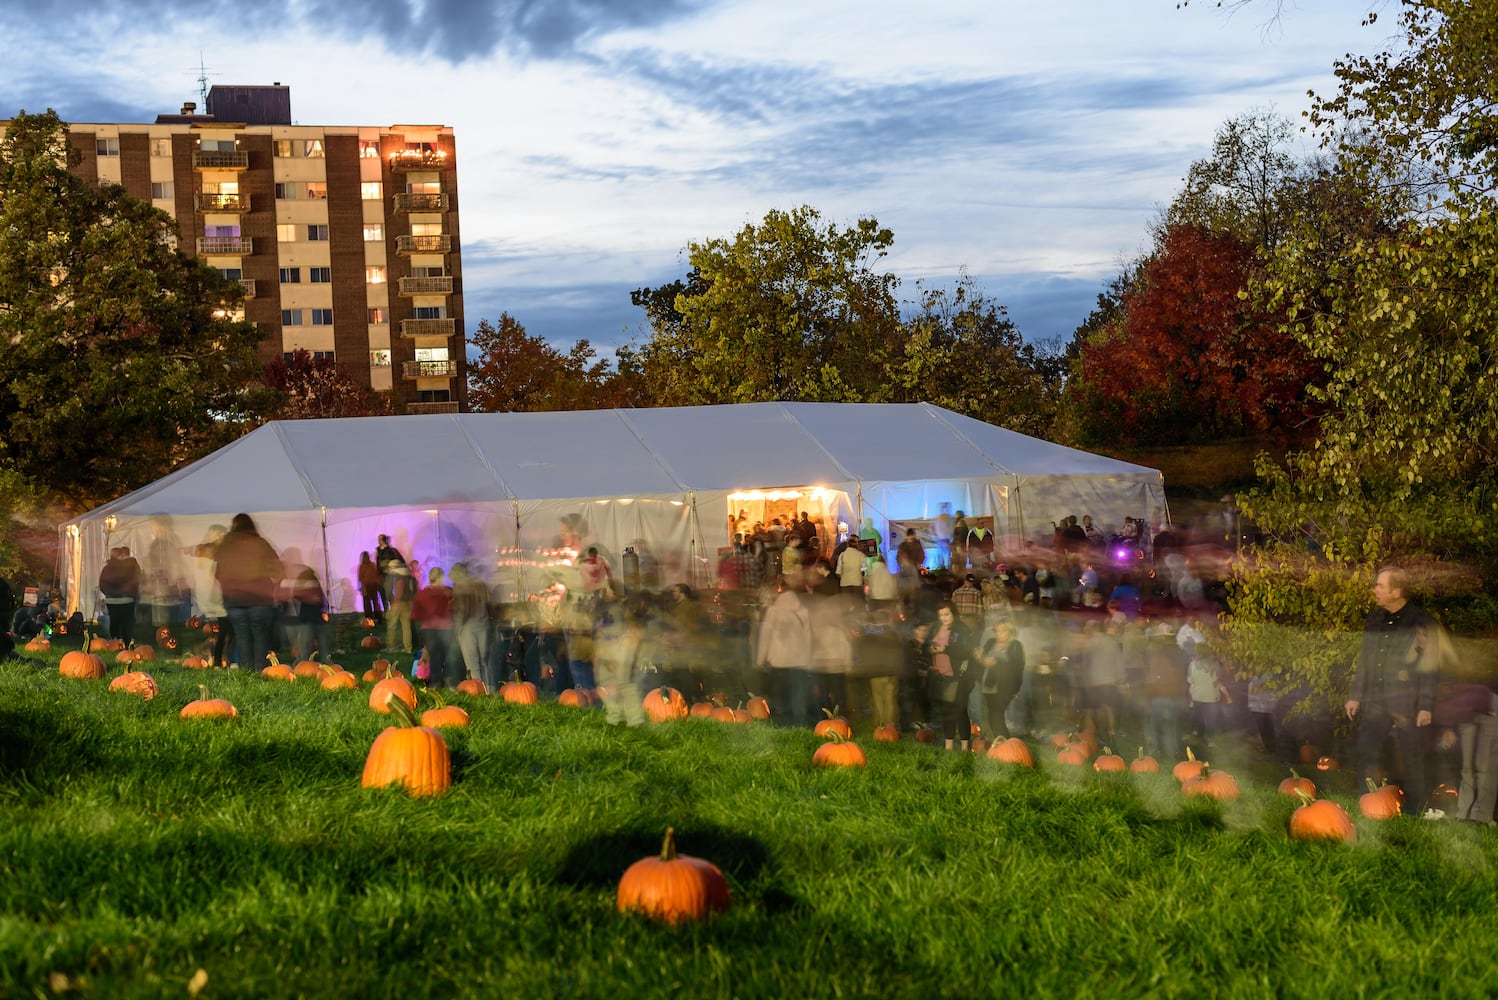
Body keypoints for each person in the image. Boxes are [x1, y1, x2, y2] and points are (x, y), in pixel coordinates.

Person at [1345, 566, 1447, 817]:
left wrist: (1425, 704)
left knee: (1411, 757)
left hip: (1407, 702)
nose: (1375, 590)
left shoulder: (1420, 621)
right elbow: (1366, 659)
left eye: (1380, 586)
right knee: (1366, 751)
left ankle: (1414, 810)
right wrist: (1356, 695)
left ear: (1396, 591)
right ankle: (1367, 801)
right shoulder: (1375, 619)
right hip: (1376, 702)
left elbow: (1430, 666)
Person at [214, 513, 282, 669]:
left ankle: (247, 670)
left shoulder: (226, 547)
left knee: (242, 636)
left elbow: (217, 574)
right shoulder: (261, 544)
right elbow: (276, 568)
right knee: (260, 636)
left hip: (234, 600)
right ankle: (261, 669)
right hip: (260, 599)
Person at [757, 583, 813, 728]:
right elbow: (808, 638)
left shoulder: (773, 611)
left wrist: (760, 659)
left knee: (780, 695)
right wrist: (808, 658)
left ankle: (782, 725)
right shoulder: (803, 611)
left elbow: (766, 635)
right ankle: (800, 725)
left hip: (778, 661)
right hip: (799, 661)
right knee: (798, 695)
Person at [924, 602, 975, 750]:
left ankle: (965, 746)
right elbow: (925, 647)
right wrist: (930, 650)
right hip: (940, 675)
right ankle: (949, 744)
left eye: (947, 614)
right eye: (941, 615)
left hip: (958, 676)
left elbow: (965, 651)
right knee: (946, 711)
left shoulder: (961, 629)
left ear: (953, 613)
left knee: (960, 711)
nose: (944, 618)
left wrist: (945, 649)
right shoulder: (935, 628)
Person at [977, 620, 1025, 739]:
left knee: (996, 714)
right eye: (996, 630)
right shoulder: (990, 642)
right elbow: (983, 659)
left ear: (1010, 632)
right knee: (992, 715)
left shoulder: (1015, 646)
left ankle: (1005, 744)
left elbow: (1017, 668)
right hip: (988, 684)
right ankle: (1000, 742)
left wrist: (996, 662)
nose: (998, 633)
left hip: (1004, 687)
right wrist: (980, 658)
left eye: (1002, 631)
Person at [412, 566, 455, 687]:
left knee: (434, 656)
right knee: (447, 656)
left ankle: (435, 683)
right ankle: (448, 682)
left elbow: (416, 613)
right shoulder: (448, 592)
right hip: (445, 628)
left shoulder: (422, 594)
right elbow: (453, 609)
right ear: (441, 577)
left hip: (428, 629)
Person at [449, 563, 491, 683]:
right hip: (484, 624)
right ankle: (487, 688)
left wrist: (458, 628)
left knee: (472, 663)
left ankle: (477, 691)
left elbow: (461, 611)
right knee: (484, 662)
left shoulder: (460, 588)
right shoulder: (480, 584)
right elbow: (490, 602)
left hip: (468, 628)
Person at [98, 546, 142, 645]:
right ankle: (128, 643)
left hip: (112, 600)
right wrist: (131, 592)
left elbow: (102, 584)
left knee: (114, 622)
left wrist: (109, 593)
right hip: (128, 599)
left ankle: (115, 642)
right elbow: (138, 580)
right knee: (127, 622)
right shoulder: (131, 567)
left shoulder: (107, 568)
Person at [384, 557, 415, 653]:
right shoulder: (408, 577)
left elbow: (399, 591)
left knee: (392, 626)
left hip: (399, 603)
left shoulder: (399, 578)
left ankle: (391, 647)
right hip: (407, 603)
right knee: (406, 626)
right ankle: (408, 648)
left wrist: (395, 604)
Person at [357, 551, 385, 622]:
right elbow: (377, 574)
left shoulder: (361, 566)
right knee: (375, 601)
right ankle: (379, 617)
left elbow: (360, 578)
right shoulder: (373, 565)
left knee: (367, 603)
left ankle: (369, 618)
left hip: (366, 586)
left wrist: (361, 588)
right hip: (374, 585)